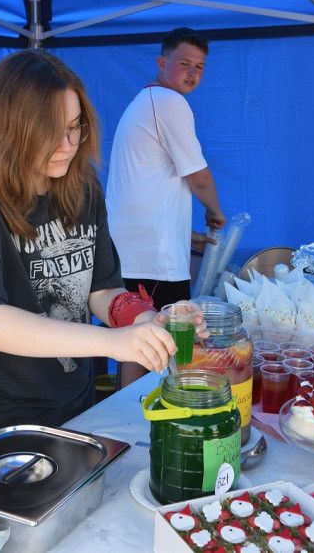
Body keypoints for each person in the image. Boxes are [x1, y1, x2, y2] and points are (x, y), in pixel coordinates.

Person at [0, 50, 201, 441]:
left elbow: (102, 289)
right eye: (51, 132)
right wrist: (113, 342)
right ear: (12, 128)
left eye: (75, 127)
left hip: (74, 398)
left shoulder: (81, 184)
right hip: (0, 411)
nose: (68, 144)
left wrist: (146, 320)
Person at [106, 27, 226, 385]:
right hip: (151, 259)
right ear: (162, 62)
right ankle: (138, 410)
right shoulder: (168, 102)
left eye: (200, 67)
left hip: (134, 249)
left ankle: (130, 408)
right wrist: (215, 212)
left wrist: (184, 235)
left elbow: (148, 189)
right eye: (185, 63)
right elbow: (198, 176)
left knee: (137, 338)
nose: (193, 73)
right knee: (158, 341)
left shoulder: (146, 102)